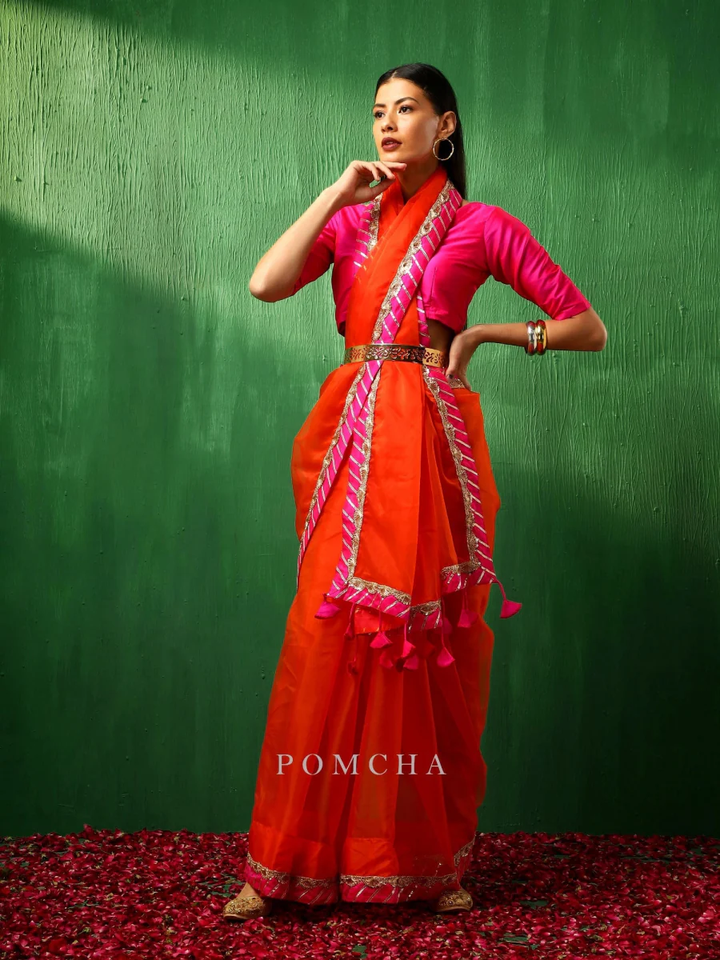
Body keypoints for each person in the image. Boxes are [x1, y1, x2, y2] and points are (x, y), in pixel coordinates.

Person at [223, 62, 607, 921]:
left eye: (407, 109)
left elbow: (588, 327)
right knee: (324, 632)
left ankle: (425, 861)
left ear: (448, 125)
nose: (389, 125)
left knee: (419, 638)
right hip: (351, 435)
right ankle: (285, 861)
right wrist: (335, 191)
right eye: (378, 113)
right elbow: (265, 282)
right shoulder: (351, 221)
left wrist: (482, 335)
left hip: (428, 446)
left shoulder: (480, 225)